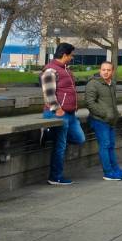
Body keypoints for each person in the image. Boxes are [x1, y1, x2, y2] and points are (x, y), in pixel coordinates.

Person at [41, 43, 85, 186]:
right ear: (65, 55)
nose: (72, 58)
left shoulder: (66, 70)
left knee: (79, 138)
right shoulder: (50, 70)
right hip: (59, 114)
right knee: (60, 146)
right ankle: (55, 177)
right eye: (71, 55)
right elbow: (48, 93)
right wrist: (58, 109)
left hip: (70, 114)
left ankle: (49, 135)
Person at [85, 61, 122, 181]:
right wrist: (104, 114)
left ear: (112, 71)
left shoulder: (112, 83)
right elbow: (89, 103)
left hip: (110, 120)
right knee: (105, 145)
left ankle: (116, 169)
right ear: (100, 70)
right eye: (103, 69)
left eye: (108, 70)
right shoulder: (93, 84)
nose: (105, 72)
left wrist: (114, 115)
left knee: (111, 146)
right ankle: (108, 172)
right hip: (99, 120)